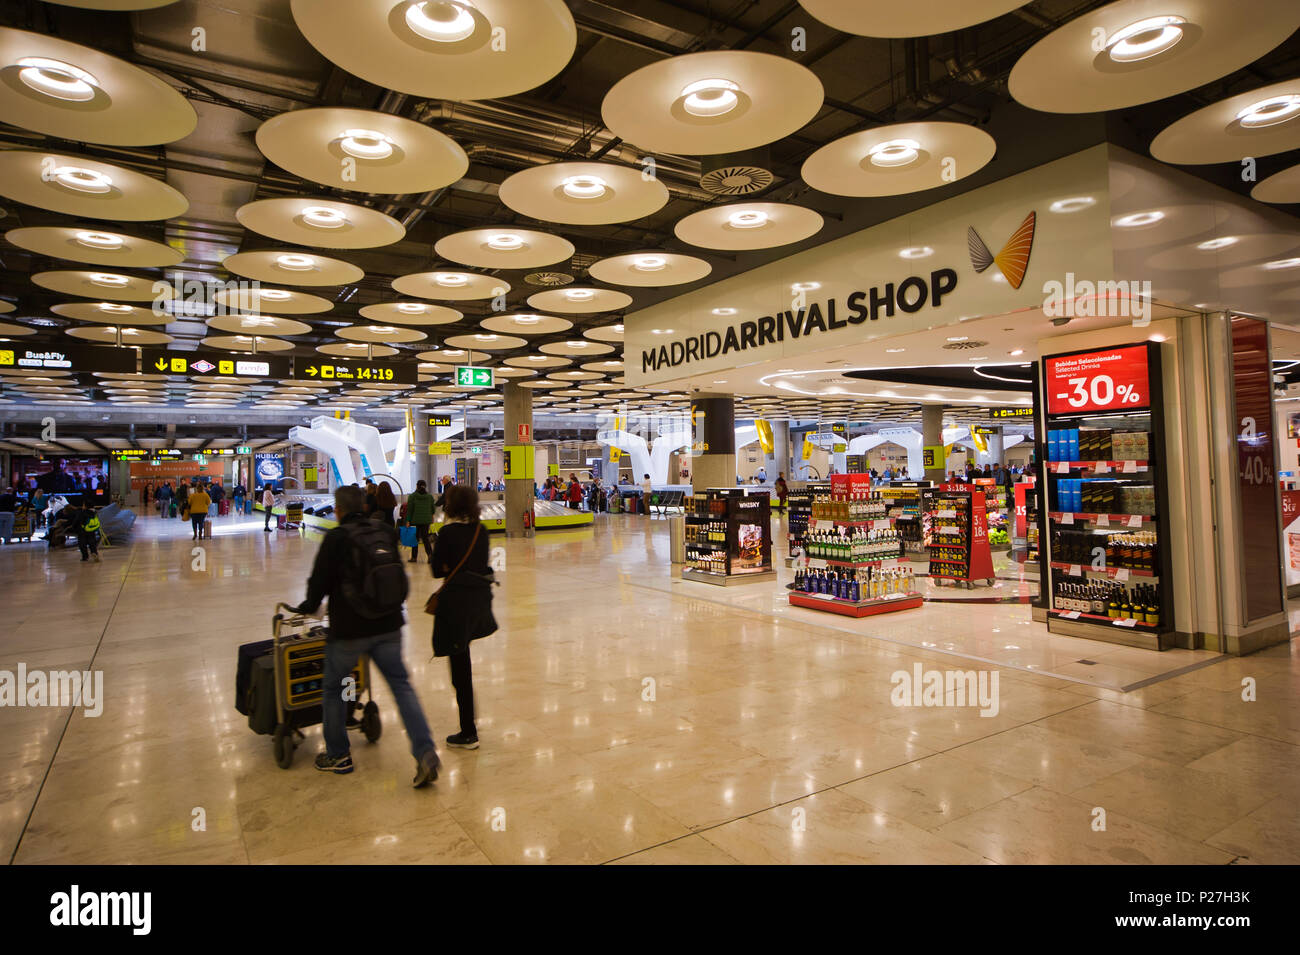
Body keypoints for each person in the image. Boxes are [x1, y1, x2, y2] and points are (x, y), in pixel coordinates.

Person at [293, 485, 440, 786]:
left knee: (334, 688)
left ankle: (338, 754)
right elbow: (400, 576)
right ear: (364, 504)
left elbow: (318, 583)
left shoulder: (337, 538)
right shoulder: (383, 530)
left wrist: (307, 607)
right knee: (402, 687)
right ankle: (425, 751)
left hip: (349, 630)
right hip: (388, 625)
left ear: (338, 509)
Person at [430, 484, 496, 750]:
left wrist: (447, 565)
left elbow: (437, 570)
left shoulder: (446, 533)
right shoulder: (482, 531)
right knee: (462, 661)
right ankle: (467, 727)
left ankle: (468, 731)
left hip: (455, 606)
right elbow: (478, 565)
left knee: (461, 671)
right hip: (477, 604)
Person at [404, 479, 435, 563]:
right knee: (425, 538)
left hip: (415, 520)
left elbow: (409, 510)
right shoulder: (429, 497)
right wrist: (432, 516)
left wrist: (408, 521)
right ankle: (430, 556)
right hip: (426, 520)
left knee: (415, 539)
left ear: (417, 486)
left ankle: (414, 557)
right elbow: (433, 509)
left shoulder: (412, 496)